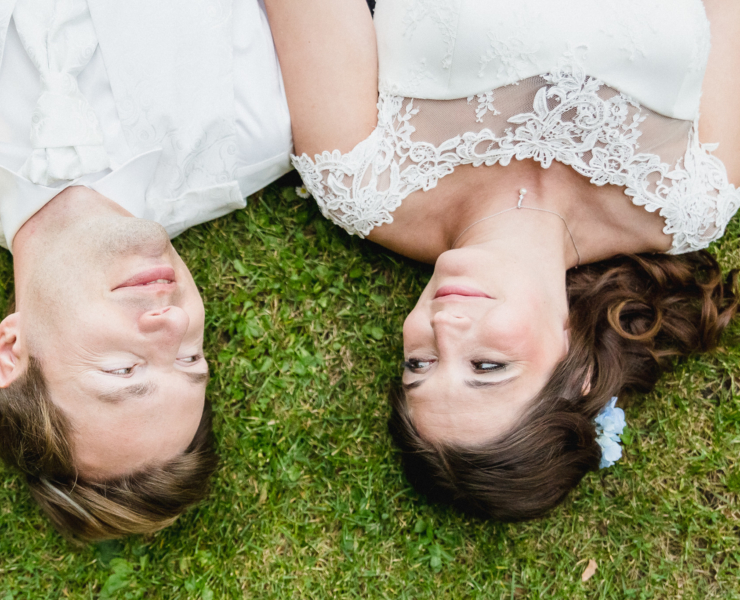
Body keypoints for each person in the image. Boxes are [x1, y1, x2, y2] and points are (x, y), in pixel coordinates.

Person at [266, 0, 740, 520]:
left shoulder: (357, 183)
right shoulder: (693, 200)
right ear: (576, 369)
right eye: (486, 366)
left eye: (418, 364)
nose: (443, 329)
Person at [0, 0, 292, 540]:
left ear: (13, 349)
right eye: (191, 358)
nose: (174, 326)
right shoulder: (258, 127)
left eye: (124, 371)